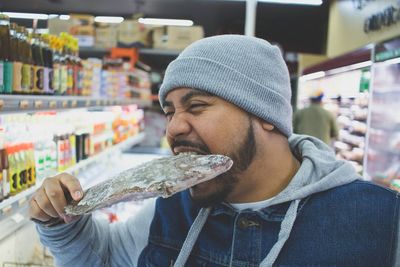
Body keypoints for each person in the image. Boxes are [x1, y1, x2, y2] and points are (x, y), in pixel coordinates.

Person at [29, 35, 399, 267]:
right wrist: (62, 223)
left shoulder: (381, 221)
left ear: (265, 115)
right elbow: (105, 259)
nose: (173, 128)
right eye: (170, 110)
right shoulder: (172, 206)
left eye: (197, 106)